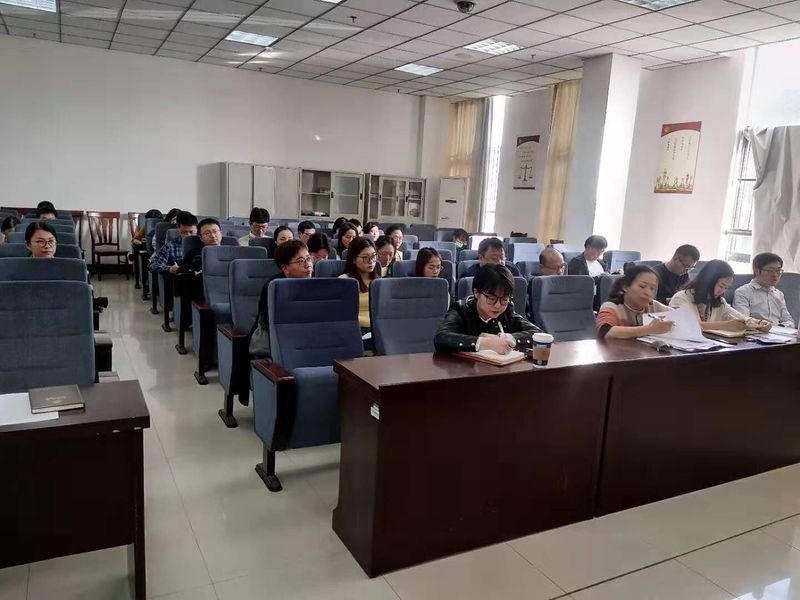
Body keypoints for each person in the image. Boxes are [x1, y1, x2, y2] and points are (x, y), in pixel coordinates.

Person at [434, 264, 540, 354]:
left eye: (504, 299)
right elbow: (441, 338)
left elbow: (538, 334)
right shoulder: (461, 309)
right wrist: (483, 343)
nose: (498, 305)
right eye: (491, 298)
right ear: (476, 292)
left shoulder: (507, 309)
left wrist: (511, 338)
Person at [250, 240, 314, 357]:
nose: (308, 264)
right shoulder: (274, 287)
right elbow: (277, 324)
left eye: (309, 258)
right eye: (301, 261)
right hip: (278, 341)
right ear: (285, 268)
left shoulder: (316, 284)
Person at [669, 259, 771, 332]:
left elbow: (740, 317)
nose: (722, 291)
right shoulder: (682, 298)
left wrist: (759, 323)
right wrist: (726, 325)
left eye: (726, 288)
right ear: (708, 281)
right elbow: (689, 326)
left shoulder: (719, 301)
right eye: (721, 286)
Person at [596, 265, 674, 340]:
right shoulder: (612, 306)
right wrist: (650, 329)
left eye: (652, 289)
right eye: (642, 286)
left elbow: (677, 314)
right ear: (625, 286)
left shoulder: (653, 305)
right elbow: (606, 332)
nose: (648, 293)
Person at [733, 252, 796, 327]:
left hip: (779, 332)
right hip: (756, 332)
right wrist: (763, 327)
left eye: (778, 271)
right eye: (770, 271)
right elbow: (743, 321)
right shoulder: (743, 292)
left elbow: (789, 321)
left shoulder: (779, 294)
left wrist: (780, 327)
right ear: (756, 271)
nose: (775, 275)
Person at [339, 236, 379, 330]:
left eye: (373, 256)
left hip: (379, 328)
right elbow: (341, 312)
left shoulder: (378, 281)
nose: (371, 261)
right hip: (357, 329)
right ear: (353, 259)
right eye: (365, 257)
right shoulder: (345, 281)